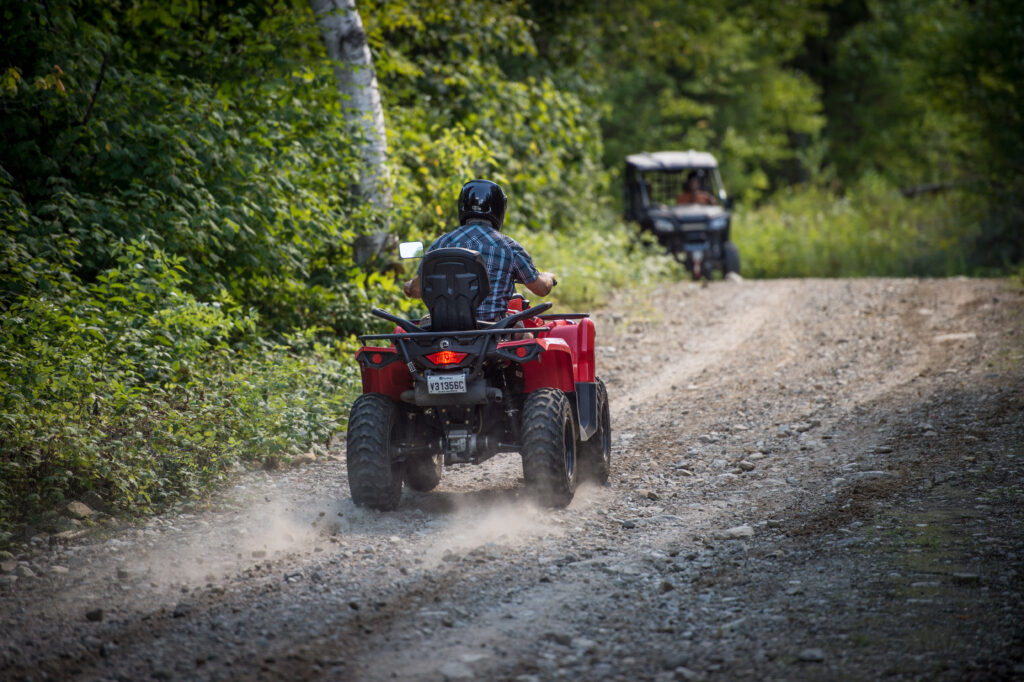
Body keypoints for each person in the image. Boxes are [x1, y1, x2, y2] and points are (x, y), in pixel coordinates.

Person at [402, 180, 557, 321]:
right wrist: (548, 277)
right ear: (499, 209)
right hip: (491, 332)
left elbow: (417, 290)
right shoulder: (509, 248)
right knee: (527, 336)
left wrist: (409, 286)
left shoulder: (441, 243)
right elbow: (541, 289)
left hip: (443, 331)